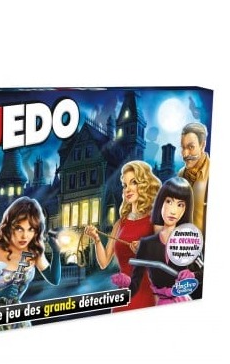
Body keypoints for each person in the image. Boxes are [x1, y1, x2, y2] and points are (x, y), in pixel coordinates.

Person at [0, 196, 61, 334]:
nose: (25, 236)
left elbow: (54, 279)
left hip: (18, 320)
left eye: (31, 229)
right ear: (9, 227)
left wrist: (56, 252)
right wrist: (1, 293)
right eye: (19, 229)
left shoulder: (34, 252)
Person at [84, 161, 161, 311]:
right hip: (123, 297)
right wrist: (96, 239)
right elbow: (104, 262)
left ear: (144, 185)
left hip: (147, 295)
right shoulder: (120, 224)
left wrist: (146, 248)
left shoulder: (155, 220)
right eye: (125, 185)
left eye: (133, 182)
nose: (128, 189)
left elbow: (164, 255)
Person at [113, 177, 200, 305]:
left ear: (185, 209)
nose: (173, 211)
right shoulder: (147, 244)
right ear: (161, 203)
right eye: (169, 201)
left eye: (180, 204)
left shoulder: (191, 240)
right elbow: (135, 285)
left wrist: (193, 275)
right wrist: (127, 283)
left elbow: (204, 273)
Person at [177, 122, 210, 235]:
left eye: (191, 147)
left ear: (202, 145)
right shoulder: (181, 174)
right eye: (183, 148)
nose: (185, 154)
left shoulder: (210, 172)